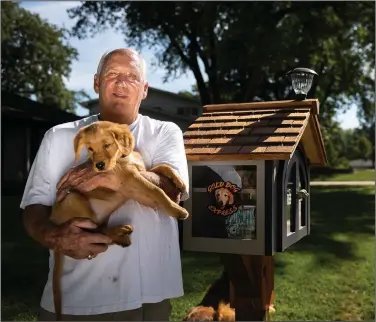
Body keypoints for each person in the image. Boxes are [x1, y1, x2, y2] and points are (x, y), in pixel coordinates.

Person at [21, 48, 189, 321]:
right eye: (112, 74)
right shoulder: (59, 136)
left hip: (149, 296)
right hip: (76, 299)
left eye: (132, 77)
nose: (121, 83)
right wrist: (54, 236)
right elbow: (33, 207)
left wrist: (107, 172)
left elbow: (173, 191)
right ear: (97, 83)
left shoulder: (164, 132)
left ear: (145, 89)